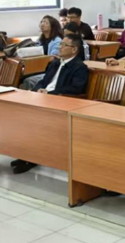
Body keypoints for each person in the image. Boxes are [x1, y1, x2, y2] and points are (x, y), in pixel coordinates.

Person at [11, 35, 89, 174]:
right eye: (60, 44)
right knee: (20, 114)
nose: (60, 47)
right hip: (44, 98)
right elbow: (43, 81)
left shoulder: (79, 67)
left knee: (32, 120)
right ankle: (24, 154)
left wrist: (50, 93)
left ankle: (32, 157)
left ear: (74, 49)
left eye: (64, 45)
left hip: (60, 102)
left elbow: (75, 89)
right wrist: (37, 91)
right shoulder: (55, 63)